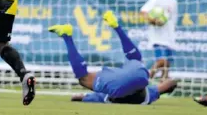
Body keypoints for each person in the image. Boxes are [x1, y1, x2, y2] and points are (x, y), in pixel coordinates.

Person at [48, 11, 178, 105]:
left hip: (139, 77)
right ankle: (67, 35)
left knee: (135, 59)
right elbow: (77, 98)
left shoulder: (151, 94)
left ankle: (116, 26)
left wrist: (163, 84)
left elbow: (172, 83)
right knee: (84, 78)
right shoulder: (102, 96)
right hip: (123, 83)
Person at [140, 0, 178, 80]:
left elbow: (171, 20)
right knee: (162, 61)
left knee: (167, 65)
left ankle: (163, 85)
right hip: (158, 37)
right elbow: (143, 12)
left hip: (169, 37)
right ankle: (145, 80)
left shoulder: (173, 2)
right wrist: (153, 21)